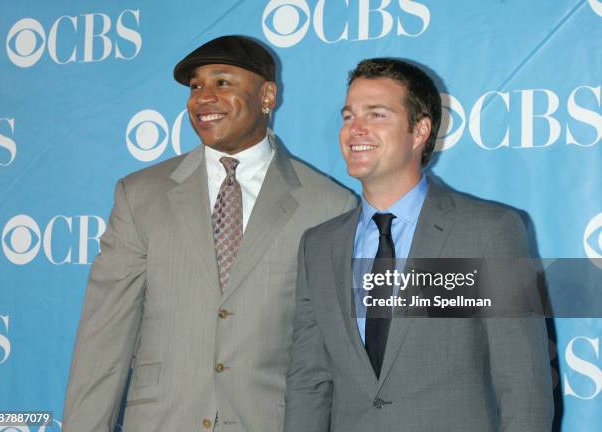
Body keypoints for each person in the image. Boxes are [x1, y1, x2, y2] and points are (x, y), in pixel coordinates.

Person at [62, 35, 356, 432]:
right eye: (195, 86)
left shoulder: (329, 206)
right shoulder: (140, 195)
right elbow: (103, 340)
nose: (202, 98)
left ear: (267, 95)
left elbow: (333, 357)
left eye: (222, 82)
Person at [284, 58, 553, 431]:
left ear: (420, 130)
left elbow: (525, 389)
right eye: (348, 116)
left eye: (376, 115)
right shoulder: (318, 246)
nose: (354, 129)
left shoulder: (488, 233)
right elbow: (308, 384)